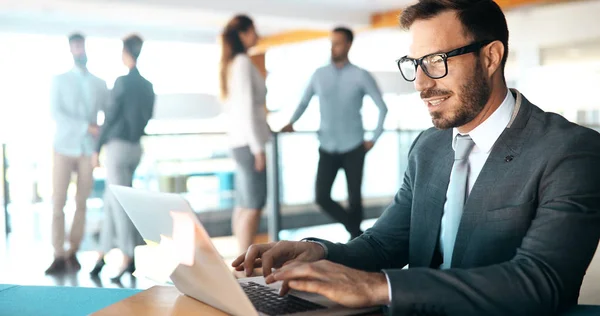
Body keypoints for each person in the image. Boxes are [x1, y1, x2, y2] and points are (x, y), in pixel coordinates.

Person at [233, 1, 600, 315]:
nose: (422, 84)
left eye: (437, 61)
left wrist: (380, 288)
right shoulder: (429, 146)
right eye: (415, 63)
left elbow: (539, 282)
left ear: (490, 57)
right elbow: (383, 244)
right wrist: (317, 251)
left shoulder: (571, 152)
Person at [281, 27, 388, 239]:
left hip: (354, 146)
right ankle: (357, 232)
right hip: (327, 146)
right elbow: (304, 102)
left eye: (337, 42)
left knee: (354, 199)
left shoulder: (361, 75)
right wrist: (291, 122)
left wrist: (373, 139)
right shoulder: (319, 74)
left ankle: (357, 244)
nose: (333, 47)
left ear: (348, 44)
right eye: (331, 42)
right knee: (321, 197)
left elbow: (382, 108)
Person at [90, 34, 155, 281]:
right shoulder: (148, 86)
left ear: (126, 53)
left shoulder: (121, 82)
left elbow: (110, 116)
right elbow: (147, 116)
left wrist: (96, 148)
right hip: (135, 147)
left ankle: (128, 256)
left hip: (117, 147)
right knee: (111, 200)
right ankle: (101, 255)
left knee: (119, 203)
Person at [46, 33, 109, 275]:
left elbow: (108, 112)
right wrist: (86, 126)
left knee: (81, 203)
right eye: (75, 46)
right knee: (57, 202)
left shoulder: (99, 83)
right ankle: (58, 254)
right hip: (63, 148)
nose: (79, 50)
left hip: (86, 151)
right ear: (70, 50)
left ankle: (72, 251)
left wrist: (100, 136)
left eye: (82, 45)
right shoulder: (59, 80)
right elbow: (56, 113)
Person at [219, 15, 271, 254]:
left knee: (243, 204)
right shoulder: (241, 62)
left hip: (241, 143)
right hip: (249, 145)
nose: (257, 36)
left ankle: (240, 261)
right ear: (242, 33)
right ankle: (244, 264)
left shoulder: (234, 63)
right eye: (253, 31)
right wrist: (258, 148)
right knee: (253, 205)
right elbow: (247, 108)